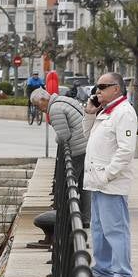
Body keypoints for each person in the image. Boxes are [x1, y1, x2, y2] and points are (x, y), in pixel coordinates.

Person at [83, 72, 136, 277]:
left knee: (115, 229)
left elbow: (126, 150)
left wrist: (107, 174)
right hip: (97, 181)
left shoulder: (124, 112)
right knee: (98, 229)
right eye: (97, 86)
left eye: (103, 86)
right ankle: (102, 270)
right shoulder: (105, 112)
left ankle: (122, 273)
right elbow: (86, 135)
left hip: (110, 182)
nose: (98, 91)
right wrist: (89, 113)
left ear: (116, 88)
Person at [31, 86, 90, 229]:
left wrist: (56, 139)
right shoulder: (64, 100)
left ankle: (65, 213)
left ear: (44, 99)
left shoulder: (54, 109)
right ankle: (86, 217)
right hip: (87, 144)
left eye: (38, 105)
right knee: (83, 184)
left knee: (68, 182)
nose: (40, 109)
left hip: (77, 148)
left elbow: (64, 136)